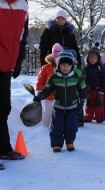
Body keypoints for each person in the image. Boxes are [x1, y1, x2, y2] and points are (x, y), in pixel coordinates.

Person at [33, 50, 87, 152]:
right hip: (58, 107)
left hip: (73, 107)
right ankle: (56, 144)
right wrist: (40, 96)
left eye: (68, 64)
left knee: (71, 126)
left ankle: (70, 142)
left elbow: (83, 90)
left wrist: (81, 103)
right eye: (62, 64)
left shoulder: (77, 77)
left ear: (72, 65)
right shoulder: (54, 77)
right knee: (57, 127)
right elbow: (47, 89)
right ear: (58, 65)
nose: (65, 67)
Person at [0, 0, 28, 165]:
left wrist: (18, 59)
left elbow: (22, 35)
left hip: (6, 63)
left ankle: (3, 148)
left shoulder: (22, 4)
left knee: (3, 107)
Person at [36, 43, 63, 127]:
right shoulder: (46, 68)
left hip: (61, 96)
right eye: (56, 58)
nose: (58, 60)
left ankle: (58, 127)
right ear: (52, 57)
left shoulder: (64, 68)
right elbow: (40, 80)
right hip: (48, 96)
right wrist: (40, 91)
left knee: (59, 113)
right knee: (47, 112)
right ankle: (45, 126)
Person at [83, 48, 105, 123]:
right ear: (88, 58)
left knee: (99, 104)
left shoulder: (100, 68)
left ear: (98, 59)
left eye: (94, 58)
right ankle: (88, 117)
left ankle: (99, 117)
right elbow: (83, 79)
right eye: (90, 58)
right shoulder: (86, 68)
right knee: (89, 104)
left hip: (98, 90)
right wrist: (85, 88)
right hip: (89, 90)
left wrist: (102, 91)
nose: (92, 60)